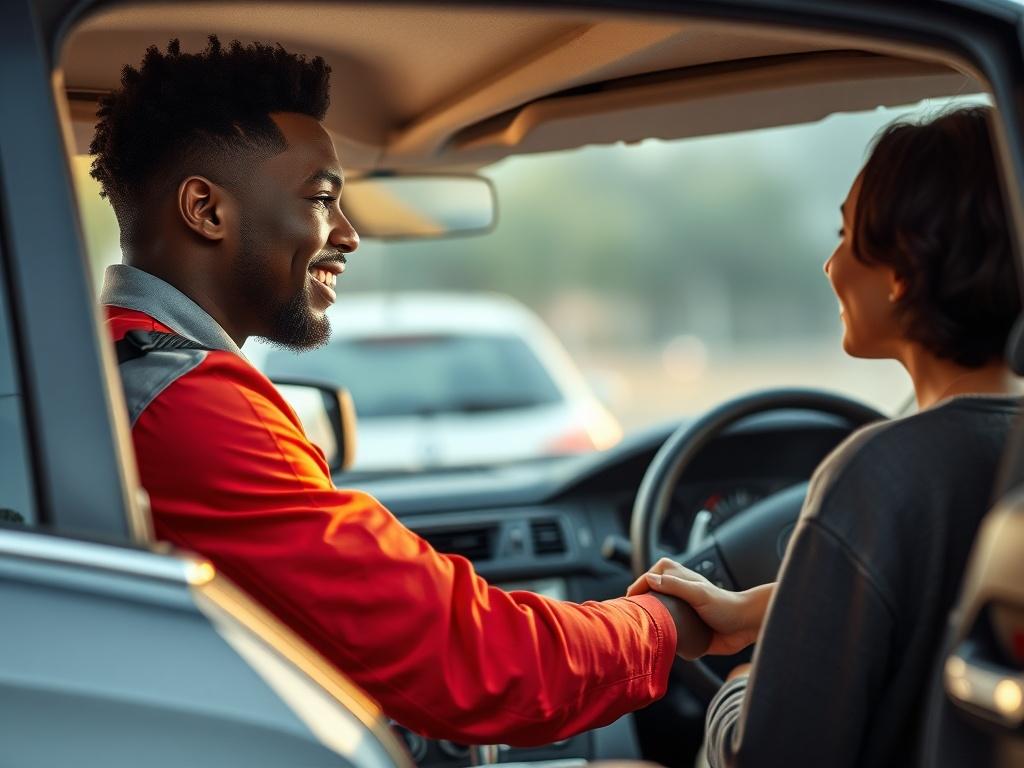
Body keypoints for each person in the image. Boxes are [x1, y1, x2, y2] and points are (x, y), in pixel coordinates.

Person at [92, 36, 762, 746]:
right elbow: (482, 665)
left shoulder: (115, 362)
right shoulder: (189, 405)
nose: (348, 236)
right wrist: (672, 623)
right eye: (322, 199)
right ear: (206, 210)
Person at [633, 105, 1022, 767]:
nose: (828, 264)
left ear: (902, 270)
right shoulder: (1006, 459)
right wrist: (760, 611)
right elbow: (934, 608)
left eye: (846, 235)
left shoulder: (876, 474)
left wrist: (739, 688)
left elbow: (773, 753)